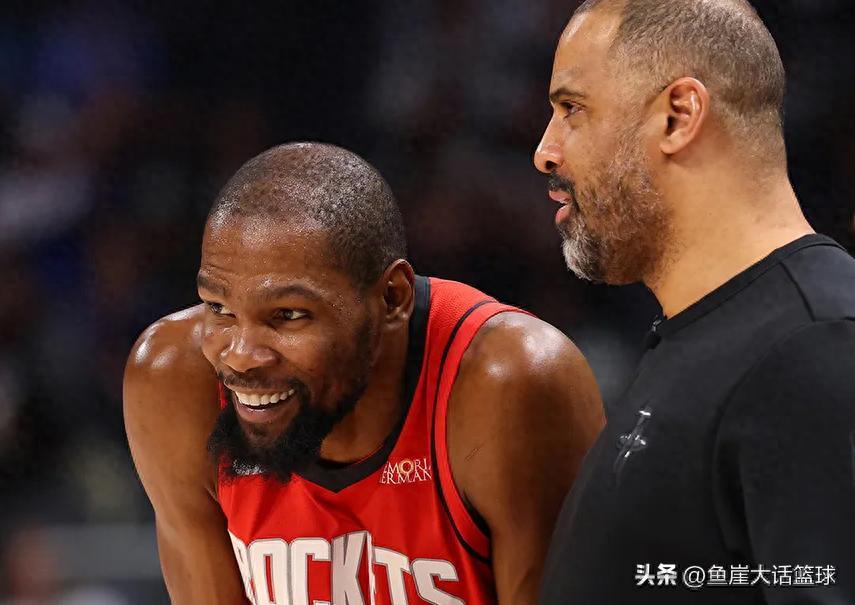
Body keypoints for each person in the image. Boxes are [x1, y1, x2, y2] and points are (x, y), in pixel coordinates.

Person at [124, 142, 604, 605]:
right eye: (219, 308)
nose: (241, 356)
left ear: (392, 298)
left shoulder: (511, 386)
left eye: (288, 315)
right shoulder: (174, 380)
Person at [533, 0, 855, 603]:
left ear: (679, 116)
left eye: (572, 108)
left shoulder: (816, 344)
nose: (545, 151)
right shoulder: (707, 332)